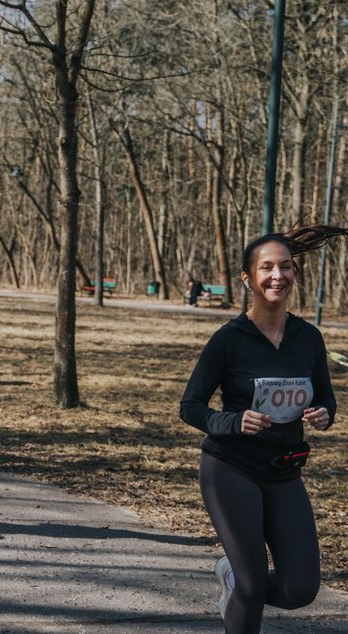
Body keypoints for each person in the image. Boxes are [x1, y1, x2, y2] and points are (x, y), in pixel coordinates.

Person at [180, 226, 348, 633]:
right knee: (253, 587)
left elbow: (326, 398)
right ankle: (242, 585)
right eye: (267, 267)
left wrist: (324, 414)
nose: (278, 276)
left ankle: (232, 579)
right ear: (248, 277)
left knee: (300, 589)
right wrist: (234, 421)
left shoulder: (308, 338)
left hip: (284, 471)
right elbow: (191, 407)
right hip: (230, 468)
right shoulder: (229, 340)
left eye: (285, 267)